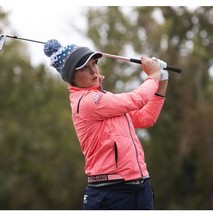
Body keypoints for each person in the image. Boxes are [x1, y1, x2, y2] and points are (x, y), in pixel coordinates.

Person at [44, 39, 168, 210]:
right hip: (111, 192)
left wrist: (162, 81)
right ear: (71, 77)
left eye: (94, 64)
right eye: (84, 68)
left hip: (140, 189)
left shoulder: (104, 99)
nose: (93, 71)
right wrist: (153, 76)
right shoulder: (89, 101)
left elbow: (146, 117)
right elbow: (136, 100)